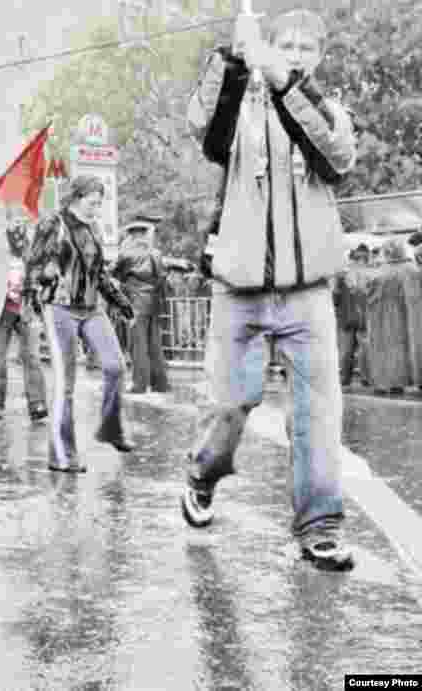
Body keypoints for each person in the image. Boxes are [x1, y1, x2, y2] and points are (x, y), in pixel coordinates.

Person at [183, 9, 357, 570]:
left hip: (308, 292)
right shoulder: (239, 105)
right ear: (269, 45)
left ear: (320, 56)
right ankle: (203, 476)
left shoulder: (327, 107)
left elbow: (337, 157)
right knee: (228, 408)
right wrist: (234, 58)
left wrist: (285, 82)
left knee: (317, 414)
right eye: (288, 43)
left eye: (309, 46)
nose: (299, 51)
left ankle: (319, 526)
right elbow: (204, 131)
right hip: (239, 290)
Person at [27, 175, 136, 473]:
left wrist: (120, 301)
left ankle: (111, 428)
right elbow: (33, 263)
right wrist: (44, 276)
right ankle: (62, 455)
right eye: (92, 202)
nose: (96, 208)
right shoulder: (54, 223)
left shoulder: (95, 229)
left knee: (115, 366)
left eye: (100, 203)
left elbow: (99, 274)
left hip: (90, 308)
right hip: (59, 307)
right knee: (66, 384)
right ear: (76, 197)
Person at [0, 221, 48, 422]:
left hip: (27, 308)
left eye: (23, 220)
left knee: (32, 357)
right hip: (0, 309)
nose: (19, 225)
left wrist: (38, 292)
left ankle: (37, 404)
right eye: (15, 220)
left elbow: (43, 276)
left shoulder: (34, 247)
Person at [113, 218, 171, 393]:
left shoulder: (126, 255)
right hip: (153, 303)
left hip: (135, 302)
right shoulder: (156, 254)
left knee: (138, 345)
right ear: (144, 234)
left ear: (131, 235)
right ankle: (160, 383)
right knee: (155, 344)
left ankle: (139, 384)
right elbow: (162, 277)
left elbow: (116, 274)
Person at [364, 238, 415, 394]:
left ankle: (381, 383)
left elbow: (367, 293)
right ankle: (397, 383)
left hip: (378, 315)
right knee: (399, 348)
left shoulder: (379, 272)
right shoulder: (411, 270)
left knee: (380, 349)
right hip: (403, 315)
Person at [332, 243, 370, 388]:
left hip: (345, 317)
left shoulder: (341, 275)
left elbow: (335, 297)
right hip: (364, 317)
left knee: (345, 350)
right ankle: (367, 378)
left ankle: (344, 378)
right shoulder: (370, 274)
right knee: (365, 349)